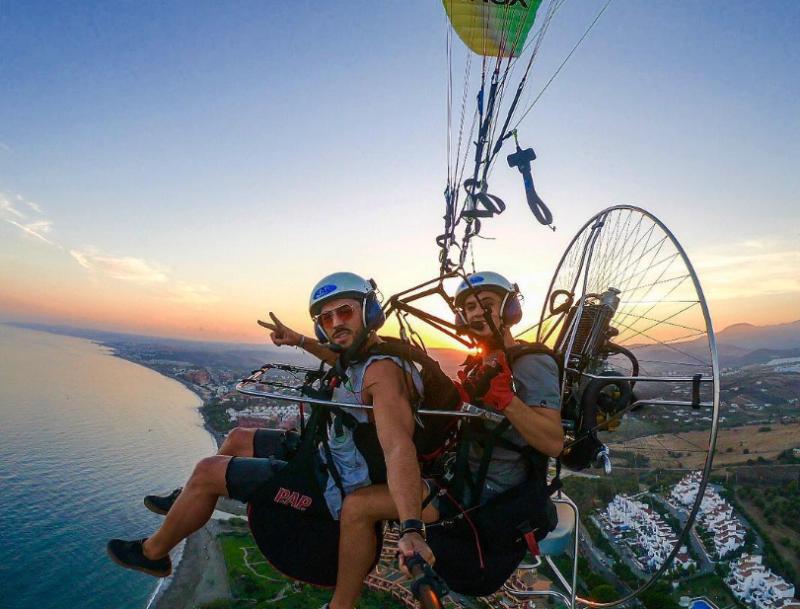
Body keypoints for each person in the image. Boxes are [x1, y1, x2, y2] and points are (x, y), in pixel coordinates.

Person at [107, 272, 433, 609]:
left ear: (369, 312)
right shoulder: (365, 356)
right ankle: (184, 502)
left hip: (334, 483)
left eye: (345, 312)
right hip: (324, 454)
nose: (336, 324)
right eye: (326, 318)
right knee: (237, 438)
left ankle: (153, 554)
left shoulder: (384, 373)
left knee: (208, 471)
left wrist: (411, 527)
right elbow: (343, 362)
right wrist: (298, 340)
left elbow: (398, 447)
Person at [329, 270, 564, 599]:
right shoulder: (483, 361)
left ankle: (341, 604)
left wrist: (508, 402)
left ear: (510, 309)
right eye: (468, 308)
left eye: (487, 303)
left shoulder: (531, 363)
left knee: (358, 506)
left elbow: (554, 442)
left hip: (484, 495)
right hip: (463, 474)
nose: (476, 313)